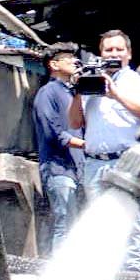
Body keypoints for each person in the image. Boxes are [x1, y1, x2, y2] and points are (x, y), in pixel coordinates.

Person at [68, 29, 140, 273]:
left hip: (127, 162)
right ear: (100, 53)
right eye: (108, 50)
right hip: (95, 164)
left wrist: (116, 95)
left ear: (128, 54)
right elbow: (75, 123)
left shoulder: (139, 83)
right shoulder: (91, 81)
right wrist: (77, 92)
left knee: (130, 225)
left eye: (119, 49)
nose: (114, 54)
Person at [32, 42, 86, 251]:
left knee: (75, 224)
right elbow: (52, 132)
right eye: (68, 58)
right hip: (58, 167)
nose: (75, 62)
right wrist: (85, 145)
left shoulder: (72, 93)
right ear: (53, 64)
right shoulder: (48, 92)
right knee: (65, 223)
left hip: (76, 168)